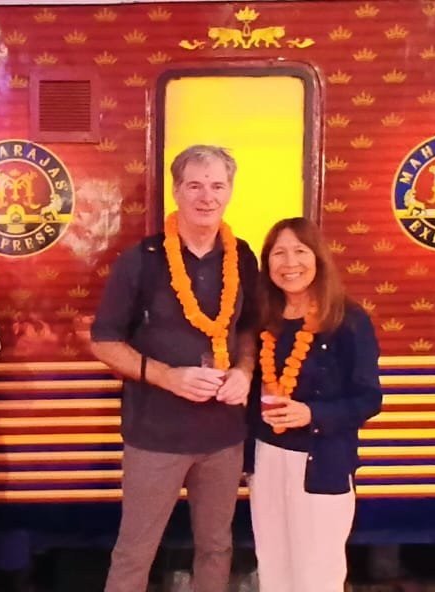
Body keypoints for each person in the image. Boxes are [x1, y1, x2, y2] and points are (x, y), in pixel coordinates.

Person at [90, 145, 259, 592]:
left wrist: (244, 371)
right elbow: (104, 342)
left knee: (217, 547)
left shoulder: (242, 256)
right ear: (176, 191)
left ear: (230, 191)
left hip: (224, 436)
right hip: (155, 437)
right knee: (135, 552)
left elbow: (248, 328)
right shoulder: (142, 259)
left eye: (217, 185)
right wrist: (168, 377)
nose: (207, 196)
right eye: (195, 185)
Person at [247, 217, 383, 592]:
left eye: (300, 251)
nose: (290, 263)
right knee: (272, 567)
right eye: (279, 253)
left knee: (317, 574)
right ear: (267, 263)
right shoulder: (263, 319)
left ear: (318, 258)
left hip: (321, 463)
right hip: (266, 459)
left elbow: (369, 399)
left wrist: (312, 414)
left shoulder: (348, 319)